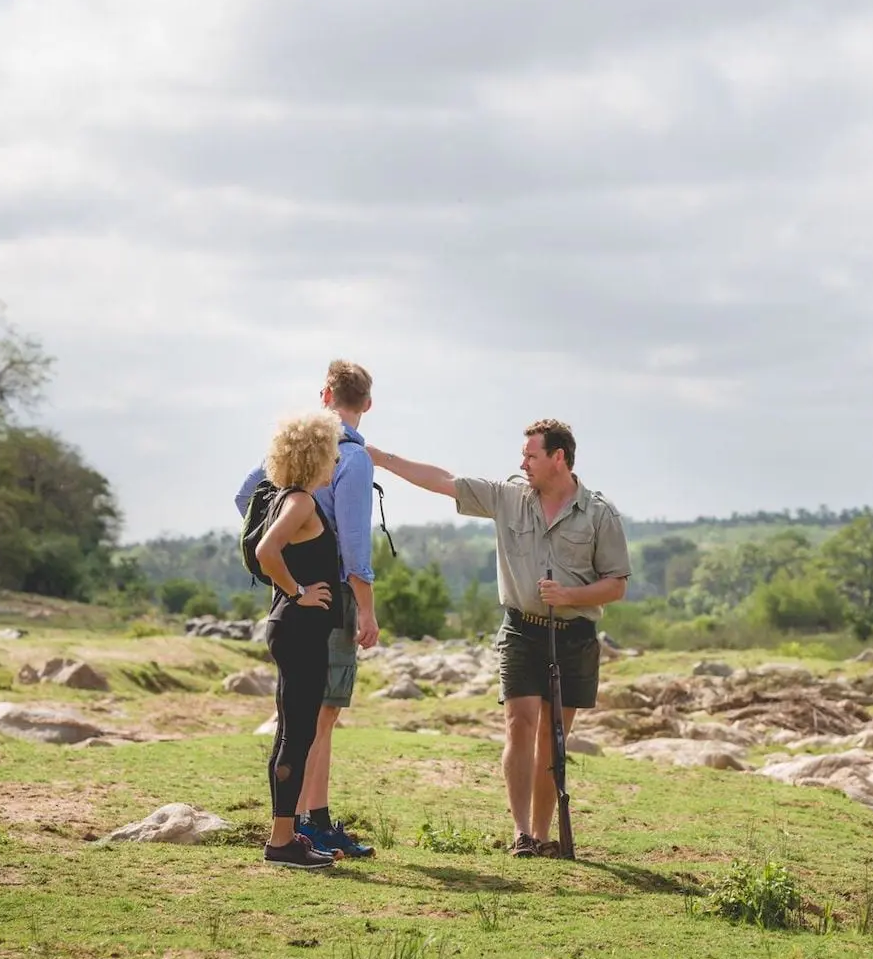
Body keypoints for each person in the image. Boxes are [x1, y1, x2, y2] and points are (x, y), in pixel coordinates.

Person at [371, 419, 631, 857]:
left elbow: (617, 584)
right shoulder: (509, 497)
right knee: (520, 723)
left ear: (558, 458)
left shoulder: (600, 514)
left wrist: (570, 594)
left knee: (554, 737)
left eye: (531, 455)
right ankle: (522, 834)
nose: (523, 463)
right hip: (521, 631)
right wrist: (380, 458)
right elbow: (443, 481)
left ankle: (547, 835)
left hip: (575, 636)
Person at [235, 360, 381, 859]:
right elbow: (348, 550)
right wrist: (307, 591)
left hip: (288, 611)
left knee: (296, 725)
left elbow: (246, 504)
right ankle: (295, 831)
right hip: (310, 612)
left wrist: (291, 577)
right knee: (309, 724)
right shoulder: (325, 482)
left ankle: (294, 828)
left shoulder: (283, 482)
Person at [252, 412, 343, 870]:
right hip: (298, 629)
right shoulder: (301, 502)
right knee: (298, 734)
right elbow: (265, 551)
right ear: (318, 454)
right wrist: (298, 592)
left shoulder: (287, 496)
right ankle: (282, 841)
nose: (337, 459)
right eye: (333, 450)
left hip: (293, 629)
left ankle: (283, 835)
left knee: (292, 732)